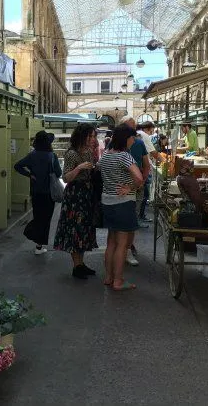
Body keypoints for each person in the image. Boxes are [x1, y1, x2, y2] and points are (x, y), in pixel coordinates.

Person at [98, 125, 144, 291]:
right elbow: (139, 178)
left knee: (111, 242)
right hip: (123, 204)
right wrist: (130, 188)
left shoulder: (106, 156)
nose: (134, 141)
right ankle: (118, 281)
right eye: (132, 138)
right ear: (126, 138)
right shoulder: (125, 156)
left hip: (107, 203)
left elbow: (98, 170)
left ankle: (109, 277)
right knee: (122, 244)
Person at [53, 124, 98, 279]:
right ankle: (76, 266)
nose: (93, 139)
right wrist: (79, 168)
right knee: (74, 229)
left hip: (86, 194)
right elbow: (66, 178)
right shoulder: (72, 154)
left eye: (94, 136)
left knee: (84, 229)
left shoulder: (89, 152)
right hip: (75, 195)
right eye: (90, 136)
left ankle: (81, 264)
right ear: (82, 136)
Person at [14, 131, 62, 255]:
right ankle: (38, 245)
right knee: (46, 219)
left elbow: (17, 166)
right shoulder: (52, 156)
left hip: (35, 192)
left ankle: (37, 242)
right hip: (48, 193)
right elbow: (58, 173)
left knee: (38, 216)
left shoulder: (32, 155)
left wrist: (30, 175)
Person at [119, 116, 150, 264]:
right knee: (120, 220)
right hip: (119, 188)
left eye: (133, 127)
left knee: (132, 218)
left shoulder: (139, 143)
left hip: (136, 187)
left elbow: (146, 164)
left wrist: (142, 180)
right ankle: (120, 249)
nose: (131, 131)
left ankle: (128, 248)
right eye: (128, 127)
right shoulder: (116, 144)